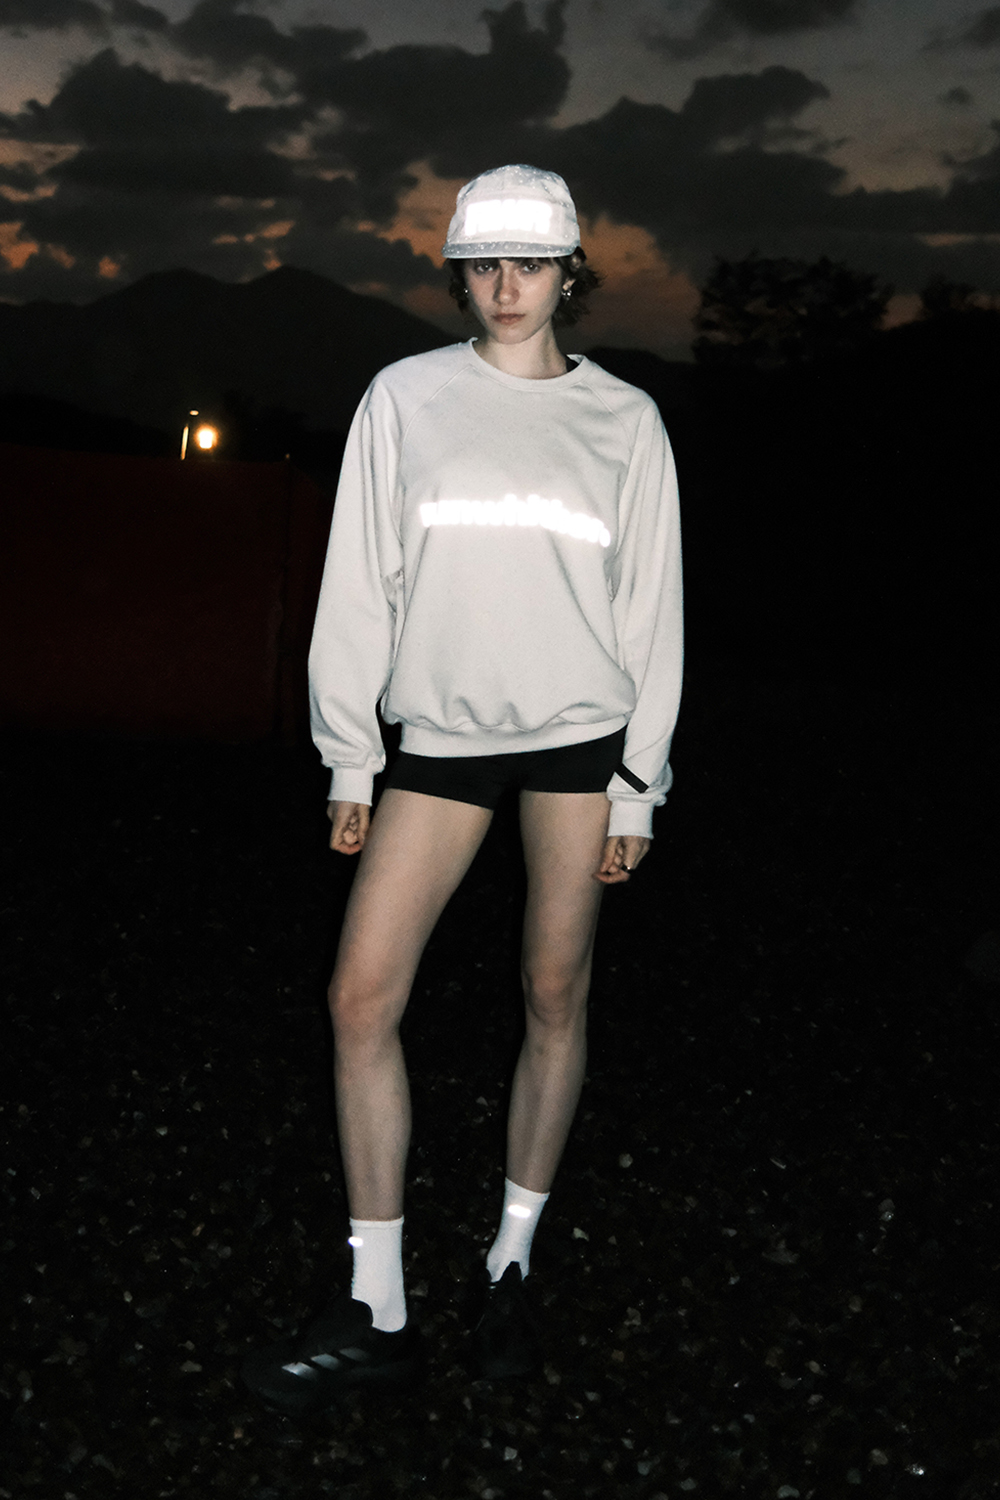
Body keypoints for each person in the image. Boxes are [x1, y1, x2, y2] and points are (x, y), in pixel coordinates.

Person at [242, 165, 683, 1413]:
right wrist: (351, 753)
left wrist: (638, 785)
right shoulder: (406, 398)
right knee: (359, 996)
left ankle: (510, 1266)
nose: (505, 286)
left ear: (569, 274)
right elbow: (360, 582)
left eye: (529, 263)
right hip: (439, 738)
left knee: (553, 992)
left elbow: (651, 611)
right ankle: (377, 1305)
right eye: (484, 263)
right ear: (459, 272)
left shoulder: (625, 422)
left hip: (580, 739)